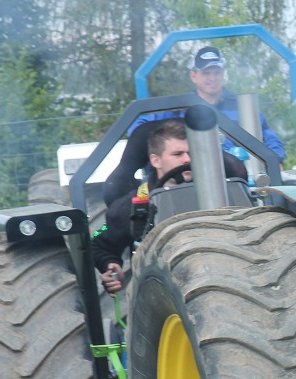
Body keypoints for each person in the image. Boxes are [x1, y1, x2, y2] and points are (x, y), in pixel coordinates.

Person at [93, 119, 244, 292]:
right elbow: (99, 243)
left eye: (191, 152)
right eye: (178, 154)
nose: (187, 160)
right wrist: (111, 265)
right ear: (156, 161)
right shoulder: (133, 204)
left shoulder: (223, 193)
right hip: (163, 290)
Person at [129, 45, 286, 164]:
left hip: (239, 177)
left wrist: (273, 160)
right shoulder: (178, 109)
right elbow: (137, 130)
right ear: (194, 76)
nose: (212, 78)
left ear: (223, 74)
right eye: (206, 73)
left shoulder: (242, 108)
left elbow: (270, 138)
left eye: (216, 72)